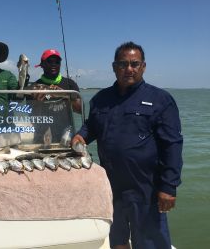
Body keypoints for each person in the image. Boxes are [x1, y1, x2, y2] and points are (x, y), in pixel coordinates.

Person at [71, 42, 183, 249]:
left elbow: (173, 145)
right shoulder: (101, 98)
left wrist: (168, 187)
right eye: (123, 64)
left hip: (146, 187)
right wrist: (80, 137)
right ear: (114, 67)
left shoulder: (160, 99)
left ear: (143, 67)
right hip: (110, 185)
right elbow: (91, 127)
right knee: (117, 239)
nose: (128, 69)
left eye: (134, 64)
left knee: (150, 242)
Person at [31, 49, 82, 144]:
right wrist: (37, 104)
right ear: (42, 65)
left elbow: (80, 110)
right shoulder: (35, 86)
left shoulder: (70, 84)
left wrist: (66, 95)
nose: (54, 64)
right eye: (49, 61)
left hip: (66, 135)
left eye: (57, 62)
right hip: (42, 137)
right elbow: (32, 118)